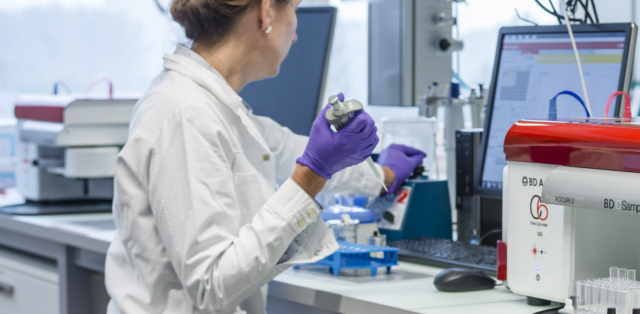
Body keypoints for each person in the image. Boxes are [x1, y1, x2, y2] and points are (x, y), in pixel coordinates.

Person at [104, 0, 426, 313]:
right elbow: (211, 287)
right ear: (266, 10)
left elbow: (287, 150)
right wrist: (312, 174)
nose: (297, 32)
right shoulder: (184, 113)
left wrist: (385, 175)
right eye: (295, 9)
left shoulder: (215, 108)